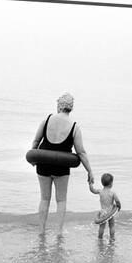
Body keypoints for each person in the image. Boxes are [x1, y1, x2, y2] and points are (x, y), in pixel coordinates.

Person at [31, 93, 94, 233]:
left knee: (44, 199)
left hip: (44, 163)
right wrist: (90, 171)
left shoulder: (47, 120)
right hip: (62, 167)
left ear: (59, 105)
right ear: (71, 108)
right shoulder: (75, 127)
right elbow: (81, 152)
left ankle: (41, 232)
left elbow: (36, 141)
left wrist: (33, 158)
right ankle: (59, 232)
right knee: (61, 200)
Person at [89, 173, 121, 239]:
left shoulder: (100, 191)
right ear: (111, 183)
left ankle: (100, 237)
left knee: (101, 227)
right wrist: (119, 206)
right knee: (111, 226)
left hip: (103, 212)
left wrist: (90, 184)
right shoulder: (112, 193)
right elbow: (117, 201)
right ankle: (112, 237)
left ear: (102, 183)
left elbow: (92, 190)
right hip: (110, 212)